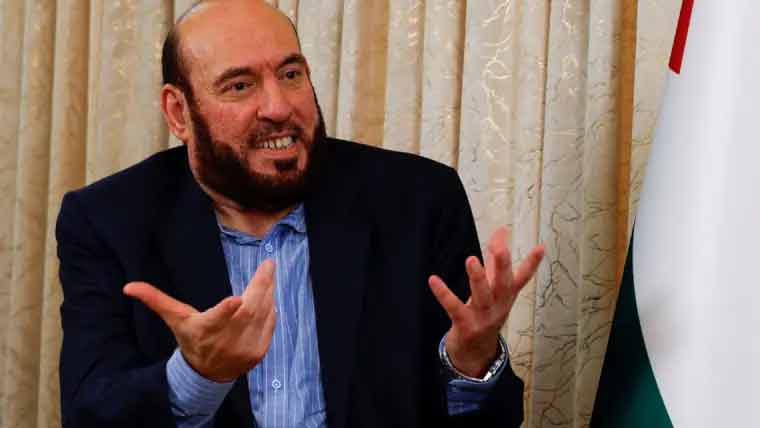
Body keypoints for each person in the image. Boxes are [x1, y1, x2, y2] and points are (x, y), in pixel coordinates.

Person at [56, 1, 545, 427]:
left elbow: (493, 419)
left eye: (291, 75)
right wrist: (198, 374)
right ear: (179, 113)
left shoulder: (417, 200)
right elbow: (88, 413)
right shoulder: (107, 220)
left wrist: (471, 361)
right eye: (240, 85)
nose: (278, 107)